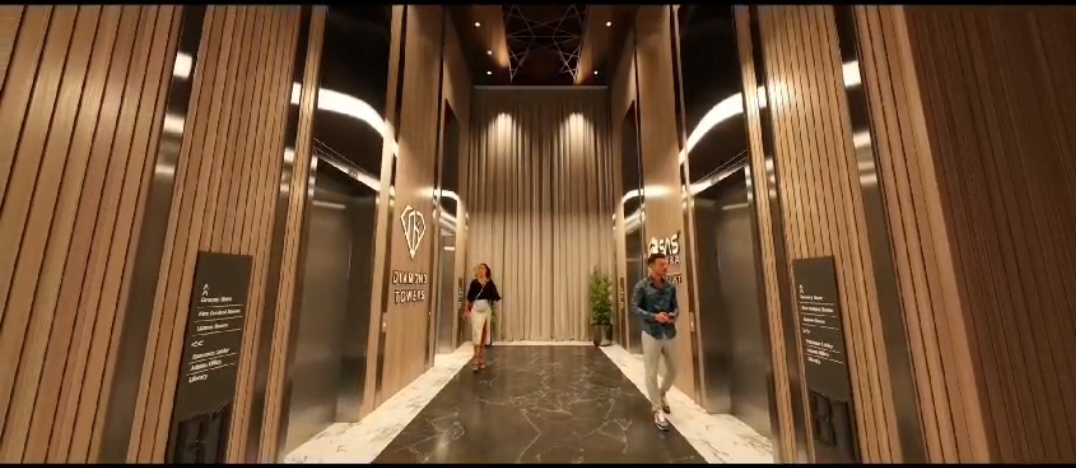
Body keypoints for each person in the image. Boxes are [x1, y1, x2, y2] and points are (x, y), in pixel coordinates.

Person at [632, 252, 679, 431]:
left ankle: (661, 393)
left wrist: (674, 315)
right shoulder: (642, 286)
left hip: (669, 332)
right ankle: (657, 409)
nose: (665, 267)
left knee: (674, 370)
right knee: (651, 373)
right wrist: (653, 316)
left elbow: (675, 306)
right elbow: (634, 307)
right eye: (661, 264)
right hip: (651, 333)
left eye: (666, 264)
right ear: (651, 266)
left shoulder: (670, 287)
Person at [464, 263, 501, 372]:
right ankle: (475, 359)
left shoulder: (489, 283)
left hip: (486, 310)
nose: (480, 270)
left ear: (486, 270)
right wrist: (466, 310)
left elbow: (495, 296)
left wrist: (495, 306)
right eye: (479, 268)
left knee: (484, 333)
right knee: (476, 333)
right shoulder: (474, 283)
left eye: (482, 268)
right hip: (476, 309)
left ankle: (481, 357)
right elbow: (469, 297)